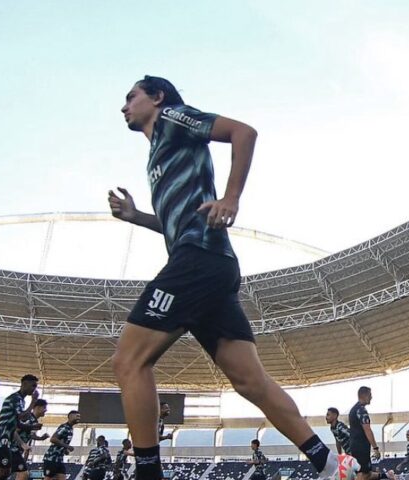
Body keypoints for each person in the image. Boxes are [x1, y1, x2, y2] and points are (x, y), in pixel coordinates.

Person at [110, 75, 354, 480]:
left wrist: (232, 197)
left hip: (197, 261)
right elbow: (178, 221)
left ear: (156, 97)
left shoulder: (173, 116)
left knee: (129, 362)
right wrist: (137, 217)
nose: (124, 106)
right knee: (249, 380)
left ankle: (147, 474)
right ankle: (329, 464)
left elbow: (243, 132)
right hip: (214, 264)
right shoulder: (158, 152)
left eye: (131, 97)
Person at [0, 375, 41, 480]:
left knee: (2, 471)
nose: (34, 388)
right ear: (24, 384)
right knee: (4, 472)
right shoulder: (15, 398)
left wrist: (32, 426)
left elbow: (17, 423)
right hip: (0, 438)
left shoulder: (20, 400)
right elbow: (22, 416)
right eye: (33, 385)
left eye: (36, 386)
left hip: (4, 439)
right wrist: (33, 401)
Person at [348, 387, 391, 480]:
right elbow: (367, 429)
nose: (371, 397)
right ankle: (387, 475)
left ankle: (387, 475)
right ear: (364, 395)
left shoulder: (353, 409)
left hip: (355, 446)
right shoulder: (361, 410)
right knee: (363, 475)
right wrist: (375, 448)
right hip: (361, 447)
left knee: (365, 474)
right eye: (370, 395)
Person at [13, 399, 50, 480]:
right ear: (37, 407)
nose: (46, 410)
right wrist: (23, 444)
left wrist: (41, 438)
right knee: (23, 474)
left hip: (18, 450)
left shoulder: (34, 420)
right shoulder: (27, 417)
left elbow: (30, 435)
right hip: (12, 449)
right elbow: (14, 431)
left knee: (6, 473)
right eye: (44, 407)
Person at [43, 410, 80, 480]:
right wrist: (67, 446)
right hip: (52, 458)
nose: (79, 418)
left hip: (59, 459)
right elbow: (53, 439)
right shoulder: (64, 427)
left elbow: (61, 442)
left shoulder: (70, 429)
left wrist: (65, 450)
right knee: (48, 478)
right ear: (70, 417)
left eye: (79, 417)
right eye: (77, 416)